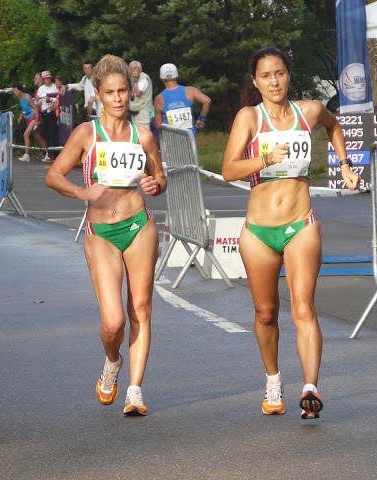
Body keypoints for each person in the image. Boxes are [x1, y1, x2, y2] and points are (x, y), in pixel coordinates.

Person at [222, 47, 360, 419]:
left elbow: (334, 126)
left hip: (301, 223)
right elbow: (229, 170)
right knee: (266, 312)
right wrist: (266, 158)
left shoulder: (309, 111)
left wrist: (345, 164)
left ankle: (310, 388)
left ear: (288, 75)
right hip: (259, 231)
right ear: (255, 81)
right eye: (265, 76)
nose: (274, 81)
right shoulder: (249, 117)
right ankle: (272, 379)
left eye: (279, 73)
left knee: (303, 306)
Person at [46, 55, 166, 416]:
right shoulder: (87, 134)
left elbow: (159, 178)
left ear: (131, 92)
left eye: (122, 91)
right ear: (97, 95)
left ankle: (135, 390)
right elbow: (53, 176)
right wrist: (82, 193)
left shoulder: (143, 136)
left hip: (138, 226)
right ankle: (112, 363)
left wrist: (154, 184)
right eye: (109, 92)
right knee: (113, 321)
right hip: (100, 232)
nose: (117, 99)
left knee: (141, 308)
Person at [154, 63, 211, 136]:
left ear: (162, 78)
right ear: (176, 75)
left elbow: (158, 125)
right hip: (189, 138)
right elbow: (207, 101)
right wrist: (201, 119)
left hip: (171, 139)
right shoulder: (191, 91)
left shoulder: (159, 99)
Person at [13, 82, 48, 162]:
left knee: (26, 135)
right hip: (27, 118)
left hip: (33, 117)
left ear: (20, 90)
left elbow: (35, 108)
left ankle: (27, 154)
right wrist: (21, 117)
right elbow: (25, 109)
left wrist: (36, 120)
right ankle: (47, 153)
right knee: (38, 137)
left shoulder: (27, 97)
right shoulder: (19, 98)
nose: (15, 92)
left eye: (15, 90)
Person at [36, 71, 59, 159]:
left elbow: (58, 98)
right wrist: (38, 100)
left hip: (52, 112)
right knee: (45, 133)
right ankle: (49, 152)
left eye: (49, 79)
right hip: (44, 112)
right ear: (43, 80)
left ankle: (53, 153)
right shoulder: (41, 89)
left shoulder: (54, 87)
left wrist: (50, 99)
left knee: (53, 133)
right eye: (46, 79)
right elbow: (37, 103)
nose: (47, 80)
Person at [129, 61, 153, 130]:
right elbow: (130, 93)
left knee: (144, 131)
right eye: (131, 69)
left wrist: (135, 81)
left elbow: (138, 93)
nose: (133, 70)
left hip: (143, 111)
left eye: (135, 68)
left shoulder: (144, 78)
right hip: (134, 110)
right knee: (136, 131)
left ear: (140, 69)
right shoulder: (131, 78)